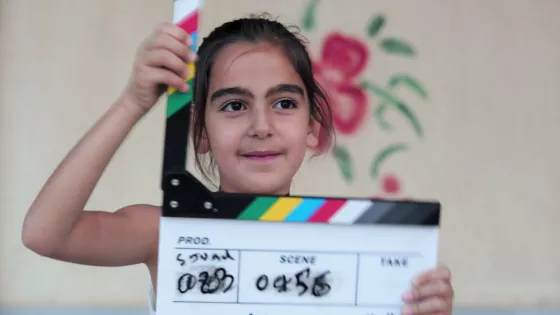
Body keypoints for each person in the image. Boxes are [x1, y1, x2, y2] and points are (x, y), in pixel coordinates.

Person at [22, 14, 454, 315]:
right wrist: (133, 101)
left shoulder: (358, 251)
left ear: (312, 127)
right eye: (233, 105)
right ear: (202, 134)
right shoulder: (169, 235)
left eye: (284, 103)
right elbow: (46, 233)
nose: (260, 126)